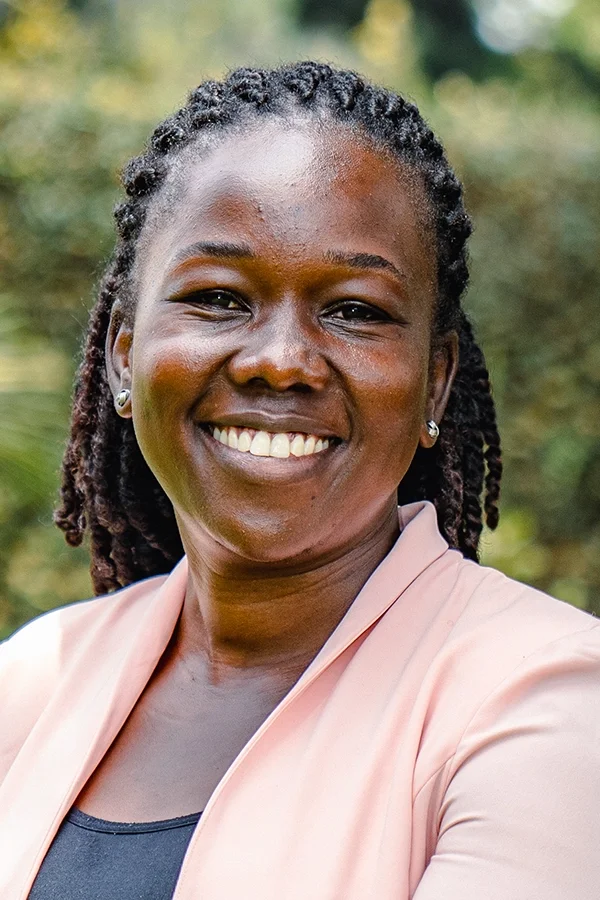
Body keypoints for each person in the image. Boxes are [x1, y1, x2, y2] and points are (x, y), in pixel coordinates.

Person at [1, 61, 599, 900]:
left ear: (434, 381)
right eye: (216, 297)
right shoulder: (33, 684)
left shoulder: (543, 704)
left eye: (355, 309)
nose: (281, 361)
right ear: (125, 359)